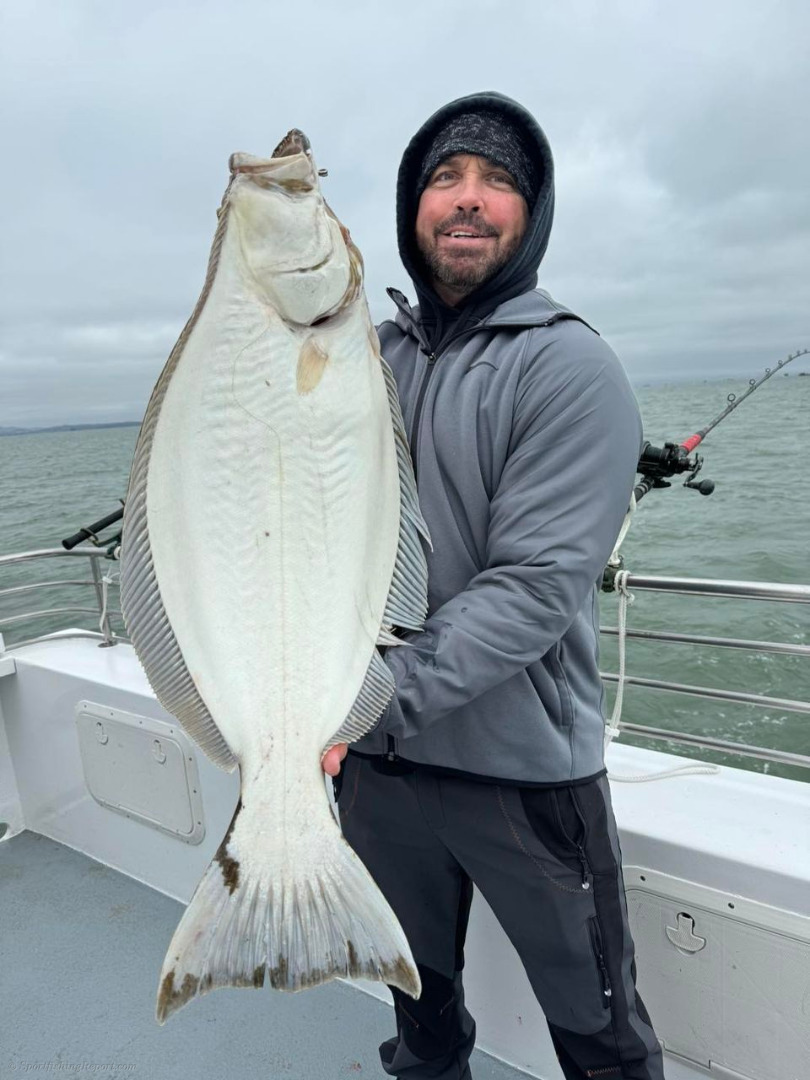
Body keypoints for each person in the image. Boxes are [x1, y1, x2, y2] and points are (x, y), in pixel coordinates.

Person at [321, 90, 664, 1080]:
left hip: (526, 781)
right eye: (445, 177)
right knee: (420, 1026)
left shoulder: (569, 366)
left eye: (498, 181)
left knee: (600, 1036)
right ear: (410, 209)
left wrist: (362, 701)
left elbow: (533, 588)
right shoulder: (361, 363)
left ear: (531, 212)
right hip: (380, 773)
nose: (468, 199)